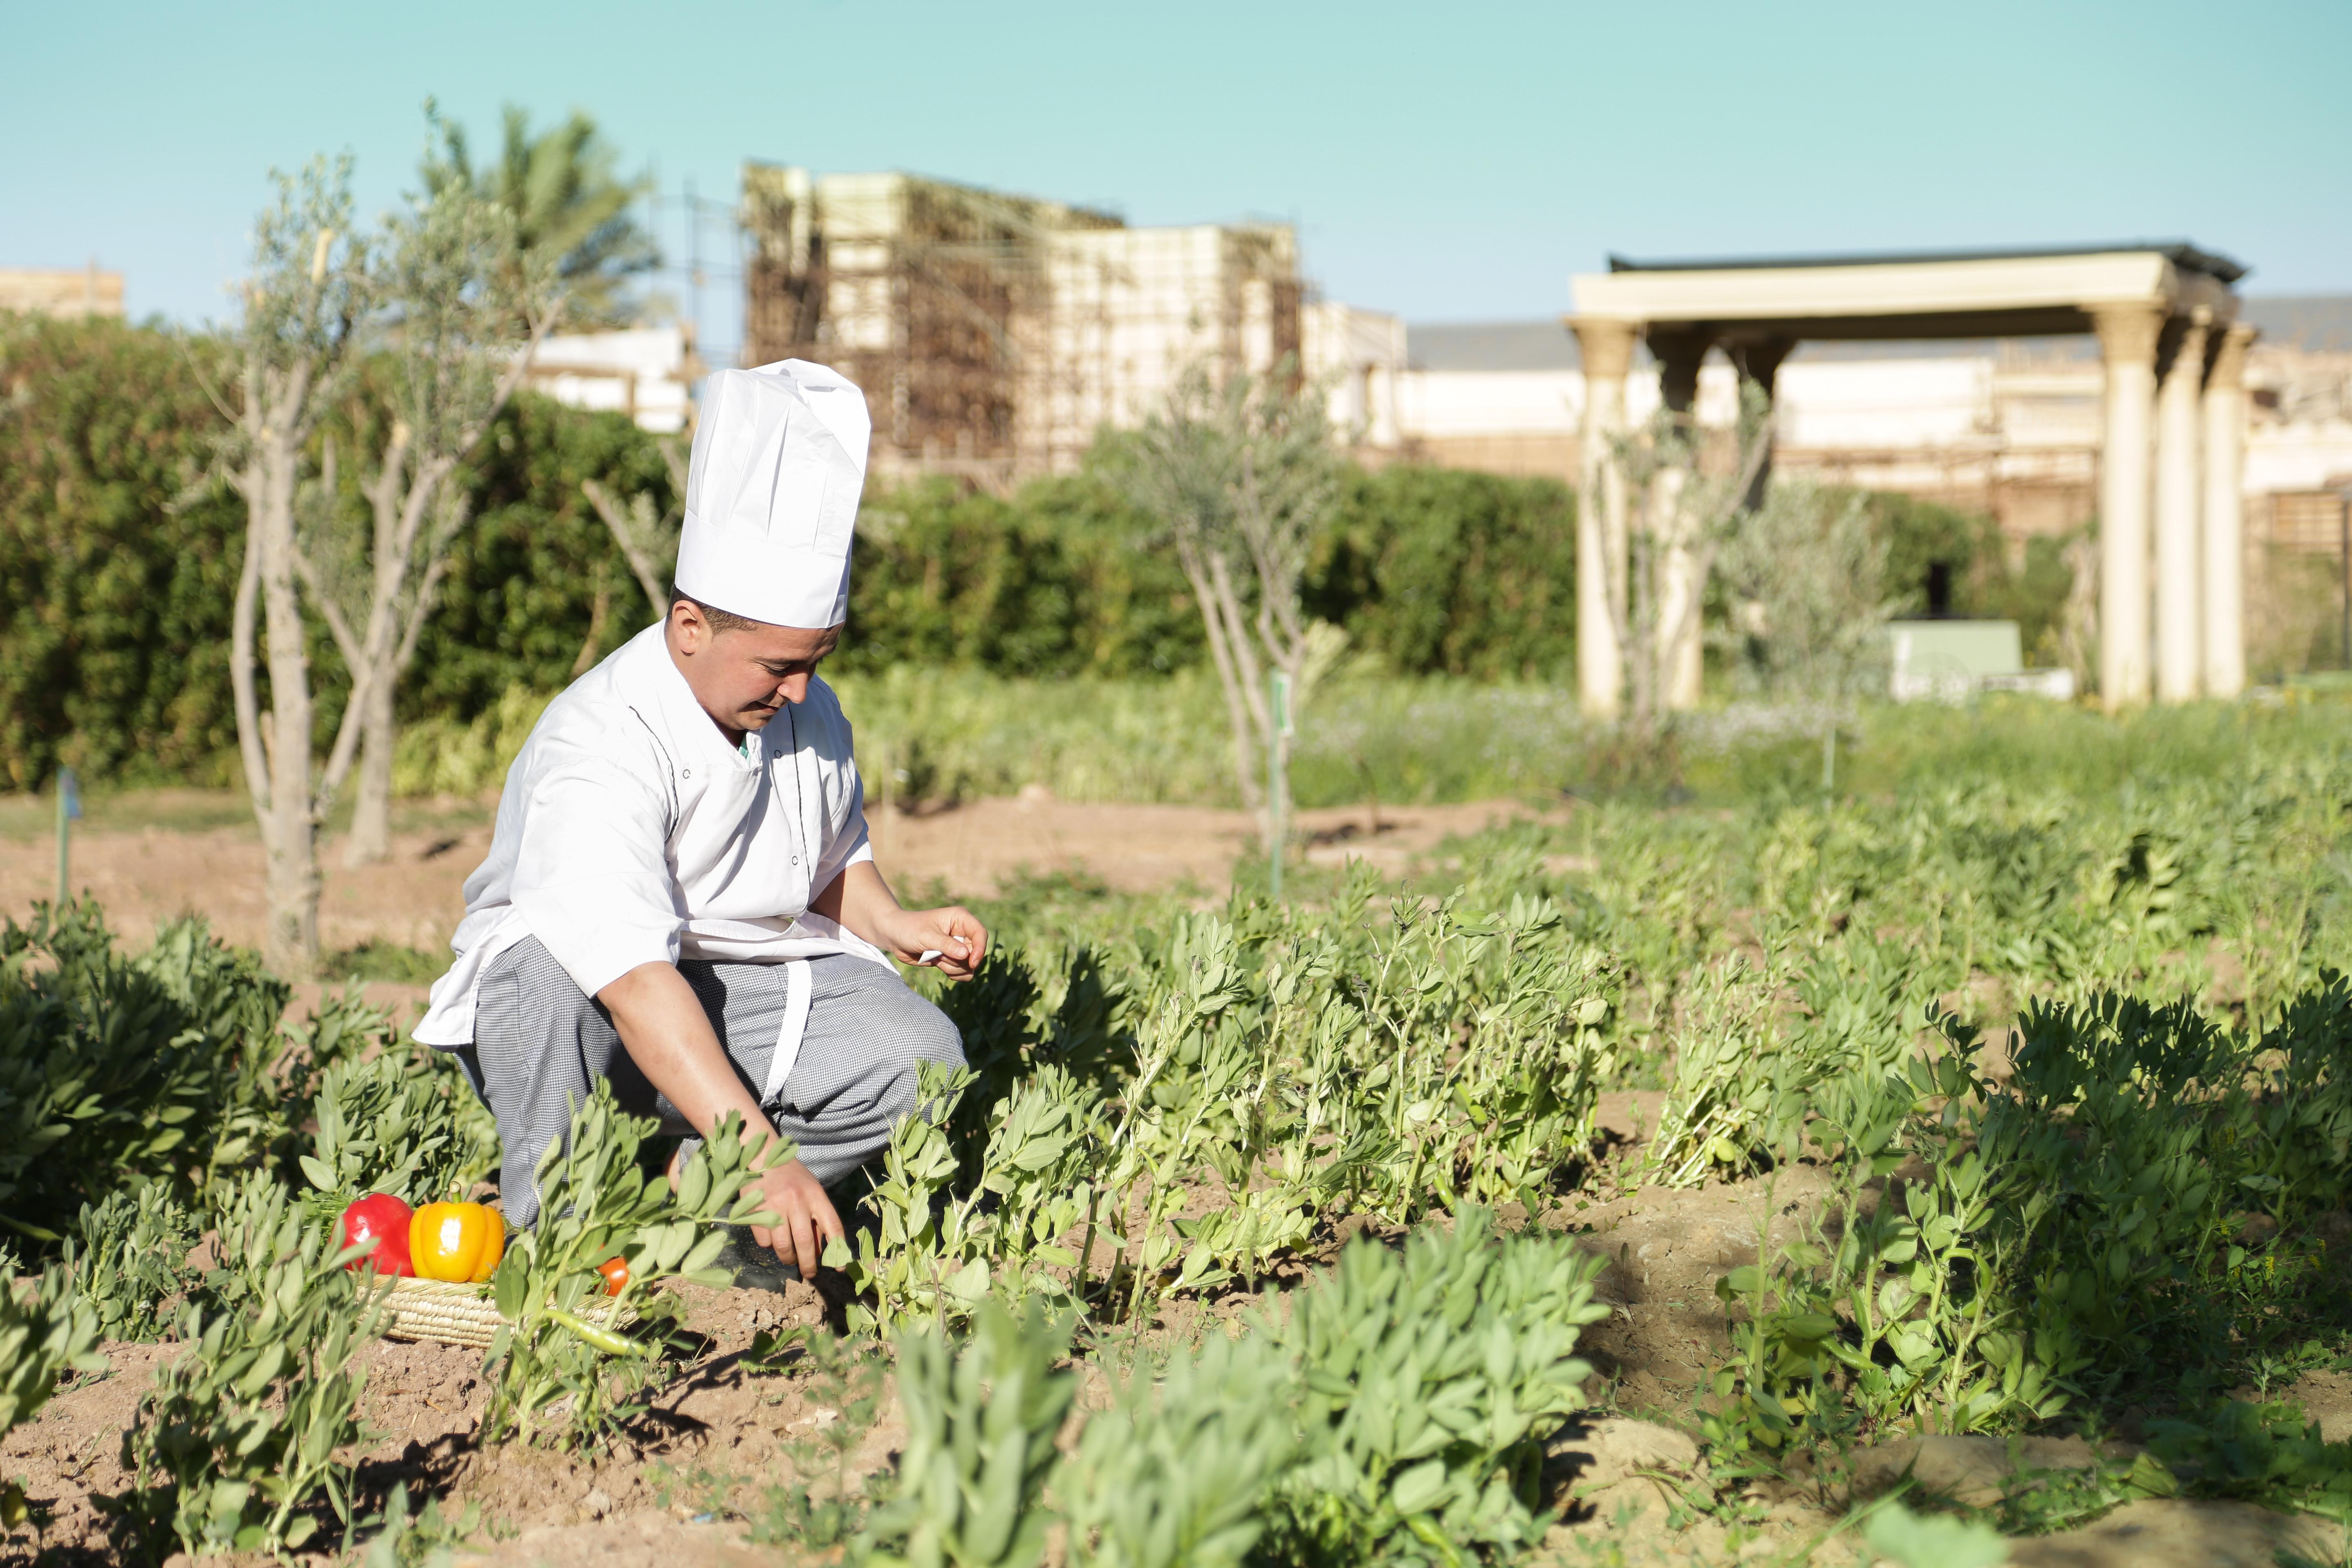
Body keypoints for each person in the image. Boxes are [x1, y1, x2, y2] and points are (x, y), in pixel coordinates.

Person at [413, 358, 986, 1280]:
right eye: (775, 666)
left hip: (739, 987)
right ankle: (565, 1241)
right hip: (601, 1002)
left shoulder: (808, 709)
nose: (799, 688)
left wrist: (895, 922)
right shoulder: (599, 739)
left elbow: (829, 859)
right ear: (689, 628)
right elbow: (635, 982)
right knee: (535, 969)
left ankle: (692, 1210)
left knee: (922, 1055)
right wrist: (763, 1155)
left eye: (817, 658)